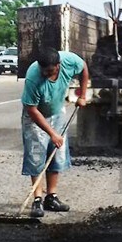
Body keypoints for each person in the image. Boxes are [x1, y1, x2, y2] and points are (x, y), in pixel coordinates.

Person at [21, 47, 89, 218]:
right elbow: (32, 110)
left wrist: (82, 95)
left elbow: (84, 68)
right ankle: (37, 200)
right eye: (43, 70)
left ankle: (51, 197)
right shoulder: (33, 77)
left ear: (58, 65)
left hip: (57, 113)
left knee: (56, 157)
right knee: (36, 157)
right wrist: (52, 133)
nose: (45, 73)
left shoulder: (70, 61)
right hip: (35, 118)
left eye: (49, 71)